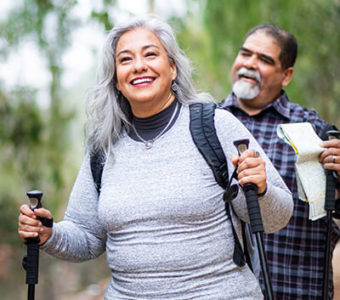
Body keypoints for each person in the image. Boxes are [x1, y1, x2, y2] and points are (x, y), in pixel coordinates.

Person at [18, 16, 293, 299]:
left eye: (151, 54)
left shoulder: (215, 125)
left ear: (172, 68)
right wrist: (48, 234)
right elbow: (87, 238)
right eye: (125, 60)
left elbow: (277, 217)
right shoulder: (103, 145)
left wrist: (260, 190)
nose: (139, 66)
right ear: (116, 80)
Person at [220, 24, 340, 299]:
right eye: (245, 54)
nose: (249, 64)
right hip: (225, 290)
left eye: (264, 59)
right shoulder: (207, 125)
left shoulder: (314, 132)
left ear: (286, 76)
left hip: (296, 287)